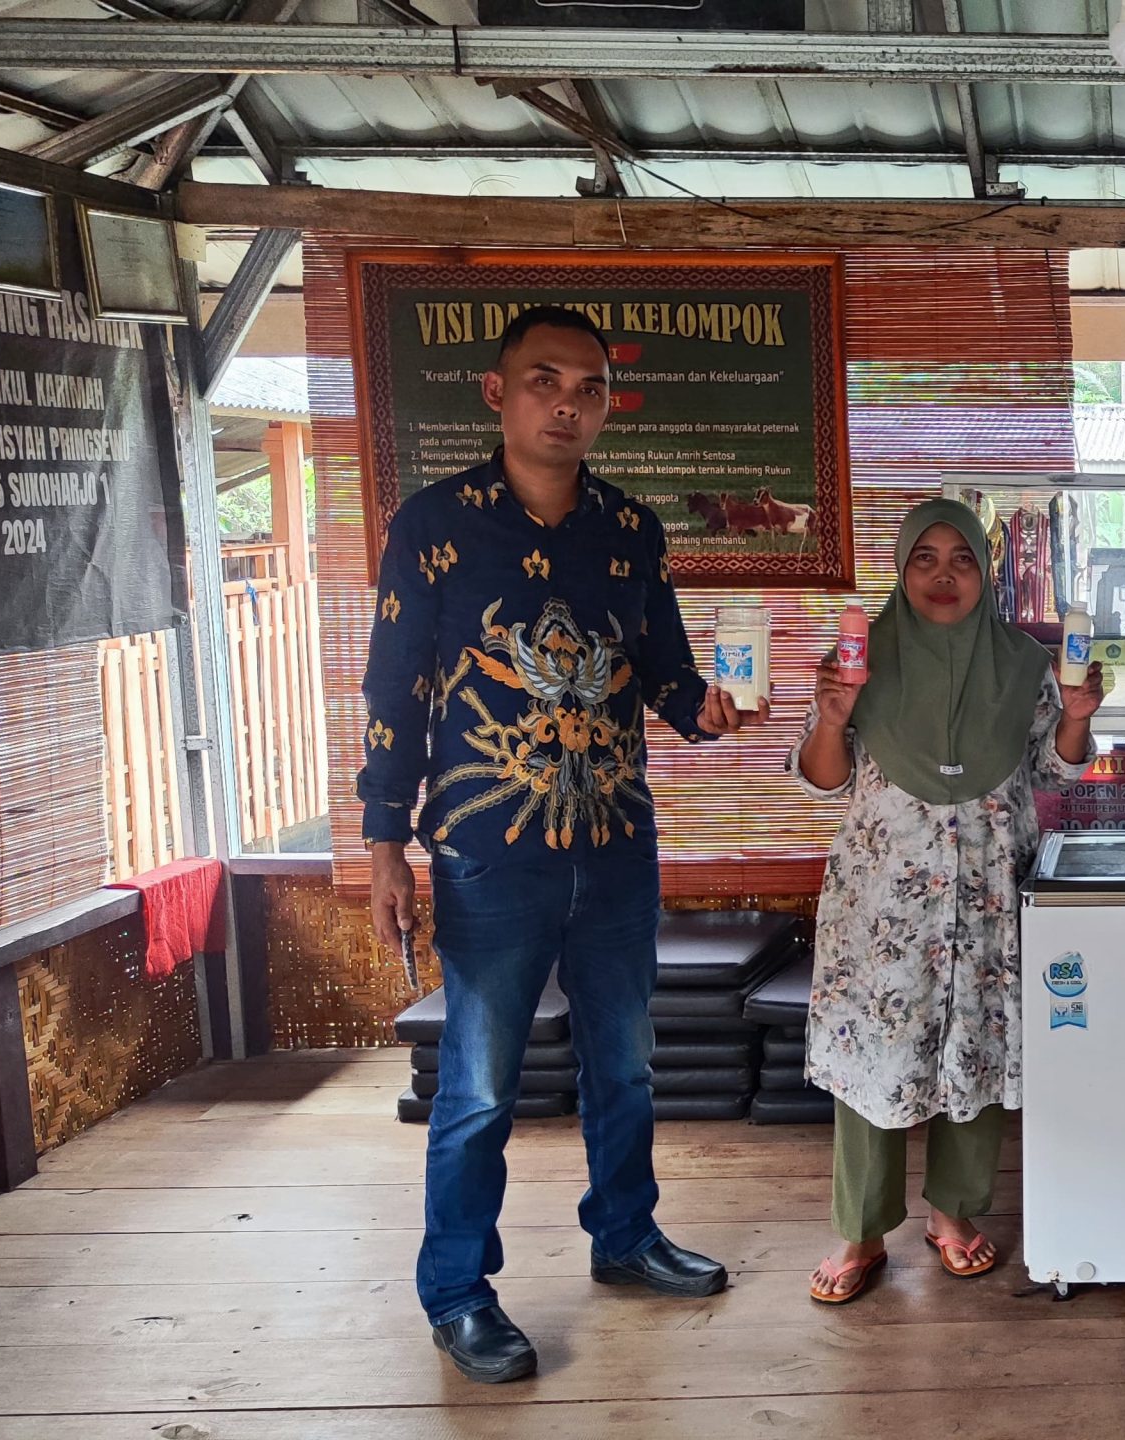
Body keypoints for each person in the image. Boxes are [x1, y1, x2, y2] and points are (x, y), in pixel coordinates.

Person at [360, 305, 761, 1384]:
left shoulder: (630, 529)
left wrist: (704, 709)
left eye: (589, 388)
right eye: (545, 380)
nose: (568, 404)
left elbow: (663, 668)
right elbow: (394, 690)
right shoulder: (433, 526)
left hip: (616, 843)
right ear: (498, 393)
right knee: (479, 1087)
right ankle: (457, 1293)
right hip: (490, 851)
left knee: (624, 1065)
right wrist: (384, 842)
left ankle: (625, 1235)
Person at [791, 500, 1103, 1304]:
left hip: (990, 893)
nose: (942, 575)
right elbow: (822, 778)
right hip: (883, 909)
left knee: (978, 1042)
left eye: (961, 558)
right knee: (875, 1052)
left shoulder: (1023, 663)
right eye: (923, 559)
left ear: (985, 573)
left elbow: (1057, 770)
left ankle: (954, 1211)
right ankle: (861, 1228)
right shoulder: (857, 660)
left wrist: (1075, 720)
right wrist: (832, 717)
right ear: (901, 571)